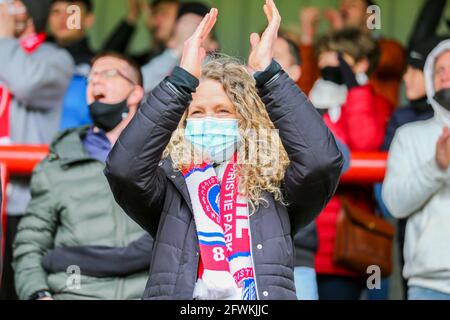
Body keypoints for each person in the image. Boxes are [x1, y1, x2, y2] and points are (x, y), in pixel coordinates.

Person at [104, 0, 343, 300]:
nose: (209, 121)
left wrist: (269, 75)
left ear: (246, 121)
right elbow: (123, 168)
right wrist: (180, 82)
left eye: (223, 111)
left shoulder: (274, 187)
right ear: (183, 120)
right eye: (198, 113)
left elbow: (321, 162)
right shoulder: (169, 185)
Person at [12, 52, 148, 300]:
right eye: (91, 76)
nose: (95, 80)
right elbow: (29, 244)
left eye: (108, 73)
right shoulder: (57, 164)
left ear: (136, 93)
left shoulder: (163, 158)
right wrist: (38, 293)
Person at [0, 0, 74, 300]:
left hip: (23, 202)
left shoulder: (55, 58)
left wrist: (4, 38)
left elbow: (26, 83)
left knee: (15, 287)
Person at [310, 28, 391, 300]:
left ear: (361, 63)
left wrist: (355, 91)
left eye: (340, 58)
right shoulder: (312, 97)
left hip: (344, 244)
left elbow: (365, 143)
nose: (329, 65)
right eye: (324, 58)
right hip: (305, 241)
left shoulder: (375, 103)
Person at [382, 39, 450, 300]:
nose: (445, 76)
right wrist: (436, 167)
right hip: (429, 285)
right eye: (439, 70)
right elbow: (395, 204)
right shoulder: (408, 136)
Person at [298, 0, 405, 107]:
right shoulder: (328, 51)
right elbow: (302, 92)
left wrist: (341, 38)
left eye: (352, 5)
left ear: (370, 16)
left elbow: (378, 59)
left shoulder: (389, 47)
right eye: (342, 5)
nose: (344, 9)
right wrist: (308, 35)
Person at [140, 1, 219, 93]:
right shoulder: (160, 65)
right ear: (171, 42)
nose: (192, 39)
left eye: (199, 31)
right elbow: (141, 83)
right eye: (184, 27)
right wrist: (177, 51)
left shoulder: (218, 73)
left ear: (213, 45)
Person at [47, 0, 96, 130]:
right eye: (56, 12)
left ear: (88, 20)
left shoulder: (98, 65)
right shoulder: (32, 59)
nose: (63, 18)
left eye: (72, 12)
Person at [104, 0, 180, 66]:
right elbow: (107, 58)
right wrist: (132, 16)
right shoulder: (150, 58)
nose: (156, 19)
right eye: (155, 13)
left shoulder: (186, 58)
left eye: (164, 13)